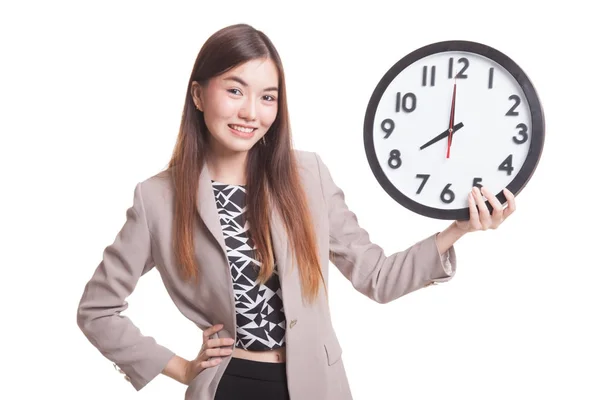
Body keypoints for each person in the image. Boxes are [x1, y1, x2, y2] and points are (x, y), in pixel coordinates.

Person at [76, 23, 516, 400]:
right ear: (198, 94)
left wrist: (457, 230)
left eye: (268, 97)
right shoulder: (158, 198)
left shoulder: (308, 175)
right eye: (234, 90)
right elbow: (97, 309)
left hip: (317, 384)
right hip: (229, 385)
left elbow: (377, 278)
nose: (251, 112)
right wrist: (180, 367)